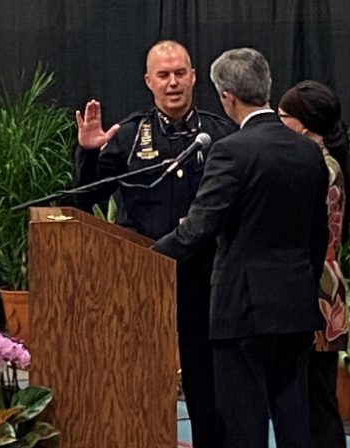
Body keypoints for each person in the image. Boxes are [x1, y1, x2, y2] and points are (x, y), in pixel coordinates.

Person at [153, 48, 329, 448]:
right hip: (296, 305)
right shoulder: (307, 151)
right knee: (293, 418)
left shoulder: (231, 150)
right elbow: (318, 236)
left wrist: (143, 260)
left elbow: (198, 228)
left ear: (226, 96)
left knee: (244, 423)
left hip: (243, 311)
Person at [73, 40, 235, 448]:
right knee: (140, 382)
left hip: (204, 280)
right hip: (141, 279)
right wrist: (90, 153)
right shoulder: (127, 135)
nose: (173, 82)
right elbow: (85, 198)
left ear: (194, 77)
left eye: (180, 73)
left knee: (207, 388)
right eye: (163, 75)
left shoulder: (220, 134)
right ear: (149, 82)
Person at [278, 80, 350, 448]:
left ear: (304, 125)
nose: (277, 124)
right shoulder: (327, 162)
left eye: (282, 117)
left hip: (315, 287)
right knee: (313, 396)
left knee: (316, 399)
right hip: (325, 284)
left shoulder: (316, 167)